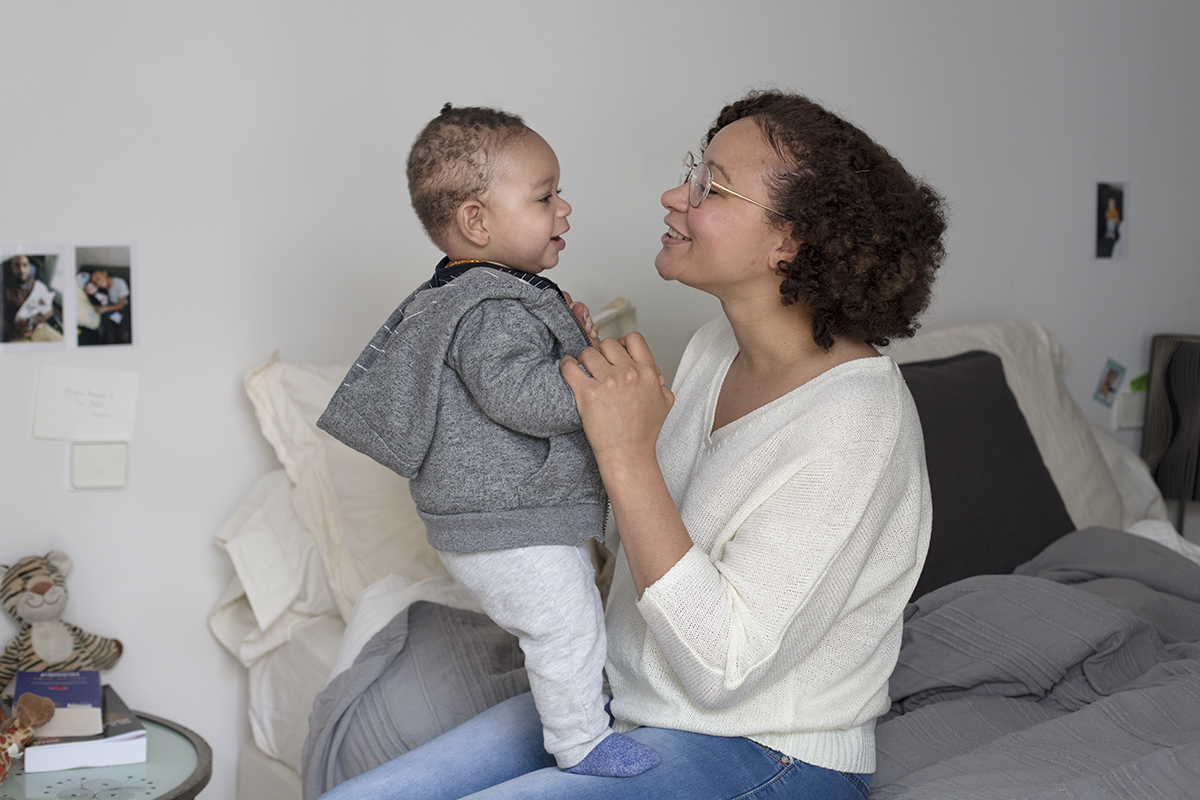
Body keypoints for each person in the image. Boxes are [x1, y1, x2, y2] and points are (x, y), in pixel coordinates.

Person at [318, 89, 947, 800]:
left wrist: (626, 455)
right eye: (691, 170)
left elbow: (720, 672)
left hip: (768, 752)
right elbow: (631, 543)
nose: (674, 194)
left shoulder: (858, 420)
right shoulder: (715, 349)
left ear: (789, 241)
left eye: (710, 185)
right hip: (623, 705)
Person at [317, 105, 661, 779]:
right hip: (505, 526)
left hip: (501, 522)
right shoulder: (490, 306)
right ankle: (582, 744)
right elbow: (524, 398)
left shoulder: (486, 294)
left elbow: (522, 379)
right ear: (477, 221)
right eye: (545, 195)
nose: (565, 208)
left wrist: (573, 341)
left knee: (579, 617)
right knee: (566, 624)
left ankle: (591, 713)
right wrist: (600, 372)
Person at [2, 254, 63, 343]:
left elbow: (49, 310)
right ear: (11, 268)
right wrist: (14, 328)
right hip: (16, 334)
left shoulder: (39, 287)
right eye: (17, 266)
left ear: (29, 267)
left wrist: (34, 320)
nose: (21, 270)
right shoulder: (5, 290)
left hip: (39, 328)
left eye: (25, 265)